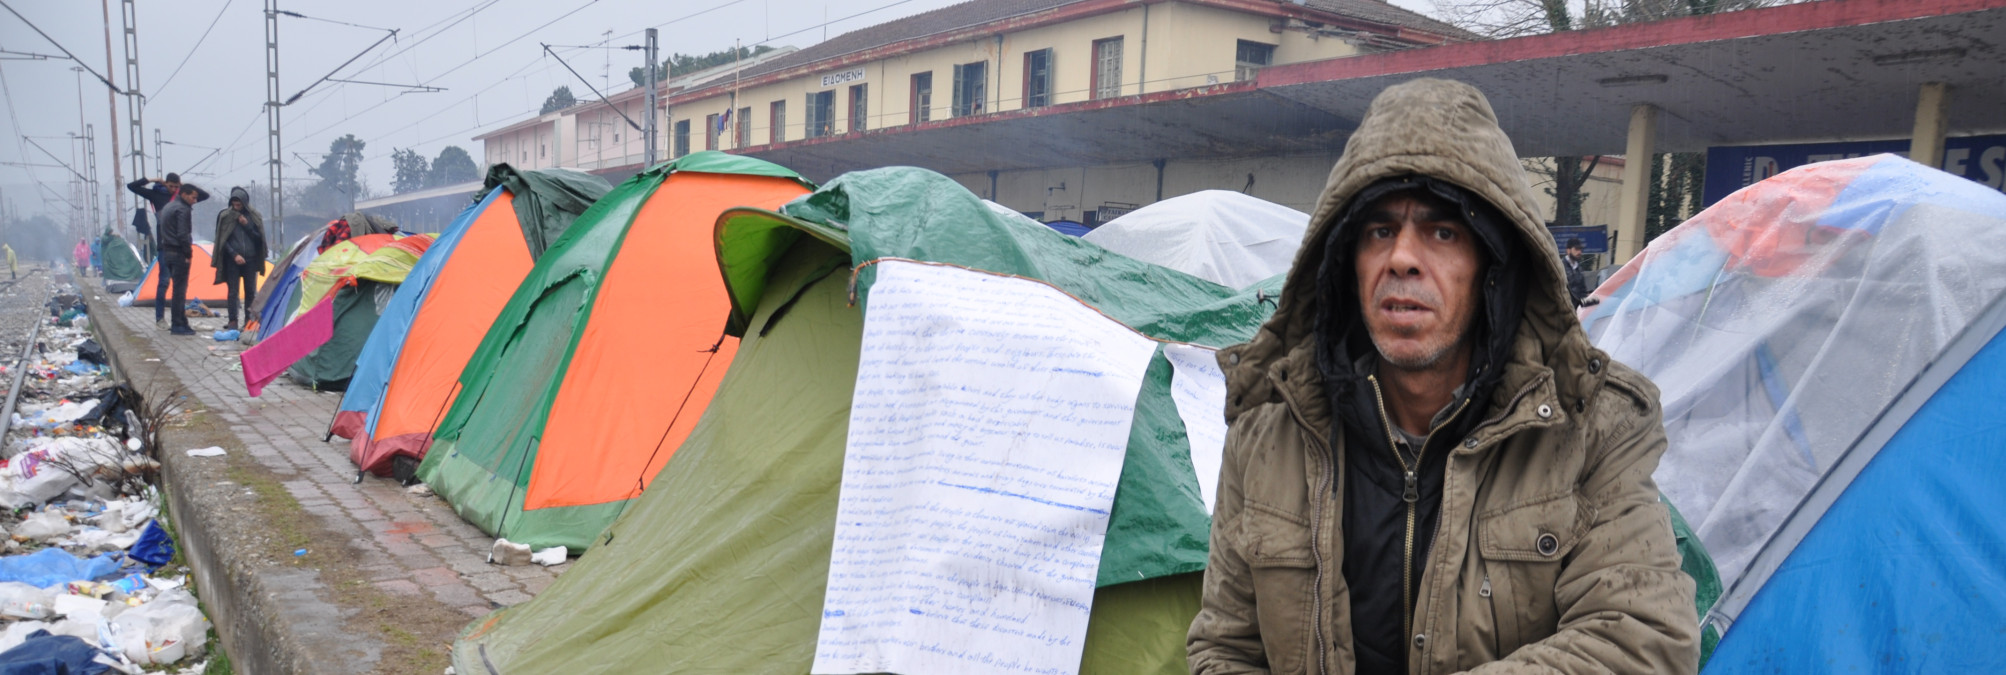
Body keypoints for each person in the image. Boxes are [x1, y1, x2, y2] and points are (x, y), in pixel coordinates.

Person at [1187, 79, 1698, 674]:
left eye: (1442, 232)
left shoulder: (1589, 428)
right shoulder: (1267, 430)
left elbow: (1642, 641)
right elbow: (1226, 649)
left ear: (1493, 269)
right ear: (1345, 261)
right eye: (1380, 231)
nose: (1401, 257)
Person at [212, 187, 267, 331]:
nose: (236, 206)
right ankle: (232, 321)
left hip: (251, 259)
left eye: (239, 204)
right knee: (232, 291)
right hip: (232, 260)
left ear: (244, 203)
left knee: (250, 291)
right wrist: (234, 255)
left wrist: (246, 225)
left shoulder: (254, 216)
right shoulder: (224, 216)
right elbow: (222, 240)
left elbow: (258, 238)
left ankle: (248, 320)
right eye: (234, 203)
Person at [156, 183, 207, 335]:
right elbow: (183, 234)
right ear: (184, 194)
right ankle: (178, 324)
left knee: (176, 290)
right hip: (179, 253)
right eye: (193, 197)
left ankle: (182, 322)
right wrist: (188, 254)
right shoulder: (182, 210)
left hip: (167, 252)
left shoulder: (169, 206)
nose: (195, 201)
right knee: (179, 291)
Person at [127, 173, 183, 259]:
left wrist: (183, 186)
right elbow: (131, 186)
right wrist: (150, 180)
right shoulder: (155, 194)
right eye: (171, 186)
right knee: (165, 271)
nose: (173, 189)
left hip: (180, 244)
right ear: (165, 183)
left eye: (176, 187)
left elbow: (202, 196)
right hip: (164, 243)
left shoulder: (182, 196)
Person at [1562, 238, 1598, 307]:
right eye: (1576, 249)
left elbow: (1582, 290)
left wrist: (1589, 299)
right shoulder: (1561, 266)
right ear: (1568, 250)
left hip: (1575, 309)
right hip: (1563, 308)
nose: (1579, 252)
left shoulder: (1579, 269)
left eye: (1580, 249)